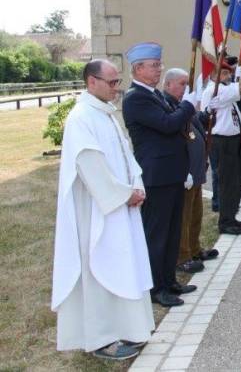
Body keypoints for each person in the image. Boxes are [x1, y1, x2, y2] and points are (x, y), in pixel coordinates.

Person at [52, 59, 154, 361]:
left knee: (125, 265)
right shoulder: (81, 118)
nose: (117, 88)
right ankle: (101, 338)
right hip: (99, 211)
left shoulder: (107, 115)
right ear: (91, 82)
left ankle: (131, 328)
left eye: (117, 81)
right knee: (100, 267)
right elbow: (89, 165)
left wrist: (137, 185)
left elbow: (126, 154)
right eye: (111, 83)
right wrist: (124, 195)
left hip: (122, 206)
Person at [122, 43, 198, 308]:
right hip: (157, 176)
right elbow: (168, 124)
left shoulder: (155, 94)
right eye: (154, 66)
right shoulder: (136, 98)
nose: (159, 69)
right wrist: (188, 105)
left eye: (159, 65)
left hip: (171, 173)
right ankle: (156, 288)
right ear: (138, 68)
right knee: (157, 235)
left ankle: (169, 280)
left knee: (172, 231)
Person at [162, 69, 218, 275]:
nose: (185, 88)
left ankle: (194, 249)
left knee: (196, 213)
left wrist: (204, 115)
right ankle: (182, 256)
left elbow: (194, 124)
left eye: (187, 84)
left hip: (195, 171)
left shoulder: (182, 105)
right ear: (168, 85)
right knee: (183, 217)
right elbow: (175, 125)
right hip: (183, 172)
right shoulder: (167, 105)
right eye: (181, 84)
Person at [201, 61, 241, 235]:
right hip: (222, 141)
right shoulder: (216, 90)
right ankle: (225, 222)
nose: (227, 76)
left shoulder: (223, 88)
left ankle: (231, 216)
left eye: (228, 73)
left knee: (234, 181)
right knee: (227, 182)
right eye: (223, 73)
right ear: (213, 76)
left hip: (231, 140)